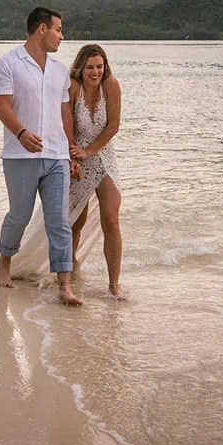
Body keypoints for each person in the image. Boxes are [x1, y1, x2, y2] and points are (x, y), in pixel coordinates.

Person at [0, 6, 82, 307]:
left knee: (59, 220)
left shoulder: (59, 70)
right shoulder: (7, 64)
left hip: (56, 156)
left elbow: (65, 111)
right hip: (19, 155)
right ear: (41, 29)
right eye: (58, 29)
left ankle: (64, 285)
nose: (61, 36)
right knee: (19, 216)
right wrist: (20, 132)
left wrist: (71, 149)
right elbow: (2, 105)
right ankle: (5, 261)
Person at [67, 45, 125, 299]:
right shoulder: (73, 87)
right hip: (77, 157)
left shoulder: (111, 85)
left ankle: (113, 284)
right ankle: (68, 270)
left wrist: (90, 151)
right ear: (80, 68)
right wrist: (73, 157)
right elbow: (65, 124)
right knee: (75, 221)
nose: (95, 72)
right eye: (90, 67)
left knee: (111, 220)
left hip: (103, 157)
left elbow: (113, 126)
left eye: (99, 66)